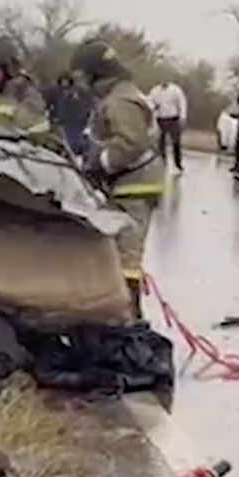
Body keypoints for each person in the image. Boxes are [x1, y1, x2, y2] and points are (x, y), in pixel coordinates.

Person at [72, 39, 166, 318]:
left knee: (127, 257)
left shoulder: (121, 100)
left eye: (82, 76)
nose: (81, 83)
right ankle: (122, 316)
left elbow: (130, 142)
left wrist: (101, 164)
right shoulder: (117, 96)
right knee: (121, 253)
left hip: (135, 186)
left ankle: (129, 322)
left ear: (95, 73)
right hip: (130, 184)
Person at [51, 72, 93, 158]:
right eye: (62, 80)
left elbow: (87, 106)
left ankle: (79, 155)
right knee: (67, 141)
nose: (64, 82)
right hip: (64, 121)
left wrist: (87, 118)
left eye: (66, 80)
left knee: (75, 141)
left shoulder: (79, 91)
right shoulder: (56, 91)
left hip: (76, 121)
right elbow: (54, 105)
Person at [148, 78, 187, 172]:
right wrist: (153, 107)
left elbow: (182, 103)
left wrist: (183, 117)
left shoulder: (175, 90)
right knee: (161, 142)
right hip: (160, 119)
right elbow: (149, 103)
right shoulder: (155, 91)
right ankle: (162, 163)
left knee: (176, 142)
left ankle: (178, 164)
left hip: (173, 118)